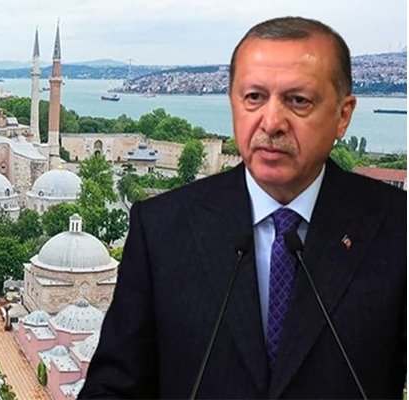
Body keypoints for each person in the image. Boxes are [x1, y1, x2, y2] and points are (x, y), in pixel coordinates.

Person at [79, 16, 406, 399]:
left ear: (343, 115)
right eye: (254, 97)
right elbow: (113, 388)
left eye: (298, 100)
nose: (272, 122)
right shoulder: (161, 228)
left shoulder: (397, 230)